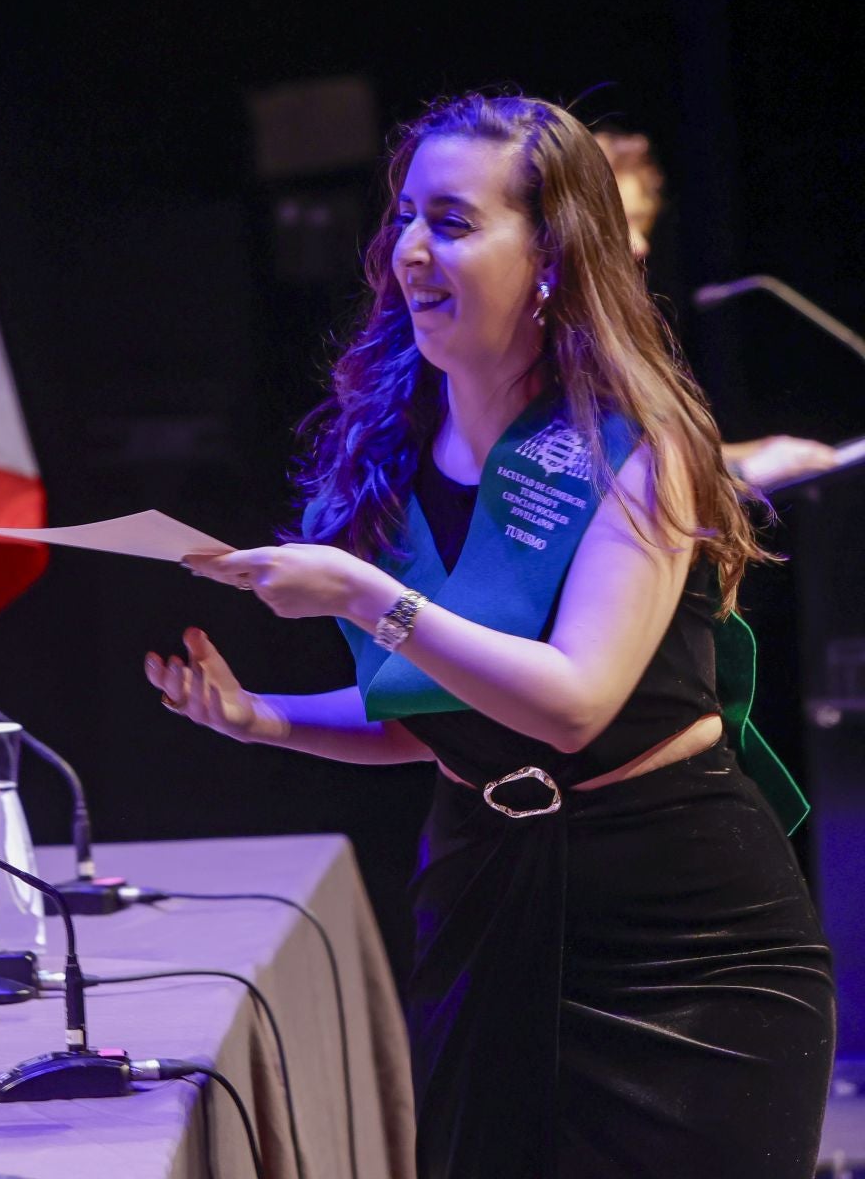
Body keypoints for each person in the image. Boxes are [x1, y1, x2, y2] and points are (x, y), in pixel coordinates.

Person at [147, 94, 834, 1176]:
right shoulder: (385, 459)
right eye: (409, 217)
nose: (413, 249)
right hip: (484, 893)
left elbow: (571, 702)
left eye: (456, 222)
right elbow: (438, 721)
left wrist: (367, 596)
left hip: (681, 931)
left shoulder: (638, 446)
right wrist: (258, 718)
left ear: (553, 257)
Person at [595, 128, 838, 492]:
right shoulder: (549, 334)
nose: (640, 244)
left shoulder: (618, 326)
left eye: (641, 220)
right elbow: (611, 478)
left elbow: (654, 455)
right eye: (621, 221)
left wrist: (763, 452)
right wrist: (745, 474)